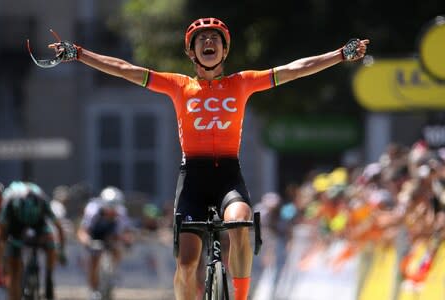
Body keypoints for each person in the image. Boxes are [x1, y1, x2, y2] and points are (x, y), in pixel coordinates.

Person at [46, 17, 369, 300]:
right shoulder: (178, 86)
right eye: (202, 40)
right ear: (191, 52)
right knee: (187, 263)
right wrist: (80, 54)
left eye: (215, 39)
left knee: (241, 223)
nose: (209, 42)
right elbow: (125, 69)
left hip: (229, 175)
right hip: (193, 180)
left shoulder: (242, 83)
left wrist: (340, 54)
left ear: (225, 51)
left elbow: (294, 70)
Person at [0, 181, 66, 300]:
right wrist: (3, 250)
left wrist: (60, 250)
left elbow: (58, 227)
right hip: (15, 229)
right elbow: (1, 229)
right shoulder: (10, 202)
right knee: (14, 271)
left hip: (38, 226)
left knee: (50, 242)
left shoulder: (42, 201)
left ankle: (49, 277)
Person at [76, 186, 134, 299]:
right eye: (109, 209)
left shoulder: (121, 212)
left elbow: (126, 232)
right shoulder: (92, 209)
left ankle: (113, 271)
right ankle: (93, 289)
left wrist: (128, 241)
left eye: (114, 209)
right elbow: (82, 231)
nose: (112, 212)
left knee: (117, 249)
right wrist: (88, 242)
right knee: (94, 259)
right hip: (95, 234)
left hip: (111, 235)